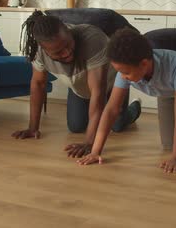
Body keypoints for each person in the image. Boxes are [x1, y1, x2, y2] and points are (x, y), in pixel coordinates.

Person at [77, 28, 176, 173]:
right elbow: (111, 110)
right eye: (119, 72)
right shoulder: (125, 71)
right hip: (166, 93)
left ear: (144, 64)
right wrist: (95, 151)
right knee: (168, 145)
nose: (122, 76)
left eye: (125, 72)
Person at [12, 11, 141, 158]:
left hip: (111, 86)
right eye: (58, 52)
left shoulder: (92, 39)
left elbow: (98, 92)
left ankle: (133, 109)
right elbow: (38, 84)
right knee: (76, 127)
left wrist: (89, 143)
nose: (67, 53)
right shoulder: (38, 52)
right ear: (45, 51)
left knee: (117, 125)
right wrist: (32, 128)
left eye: (68, 44)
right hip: (79, 88)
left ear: (69, 31)